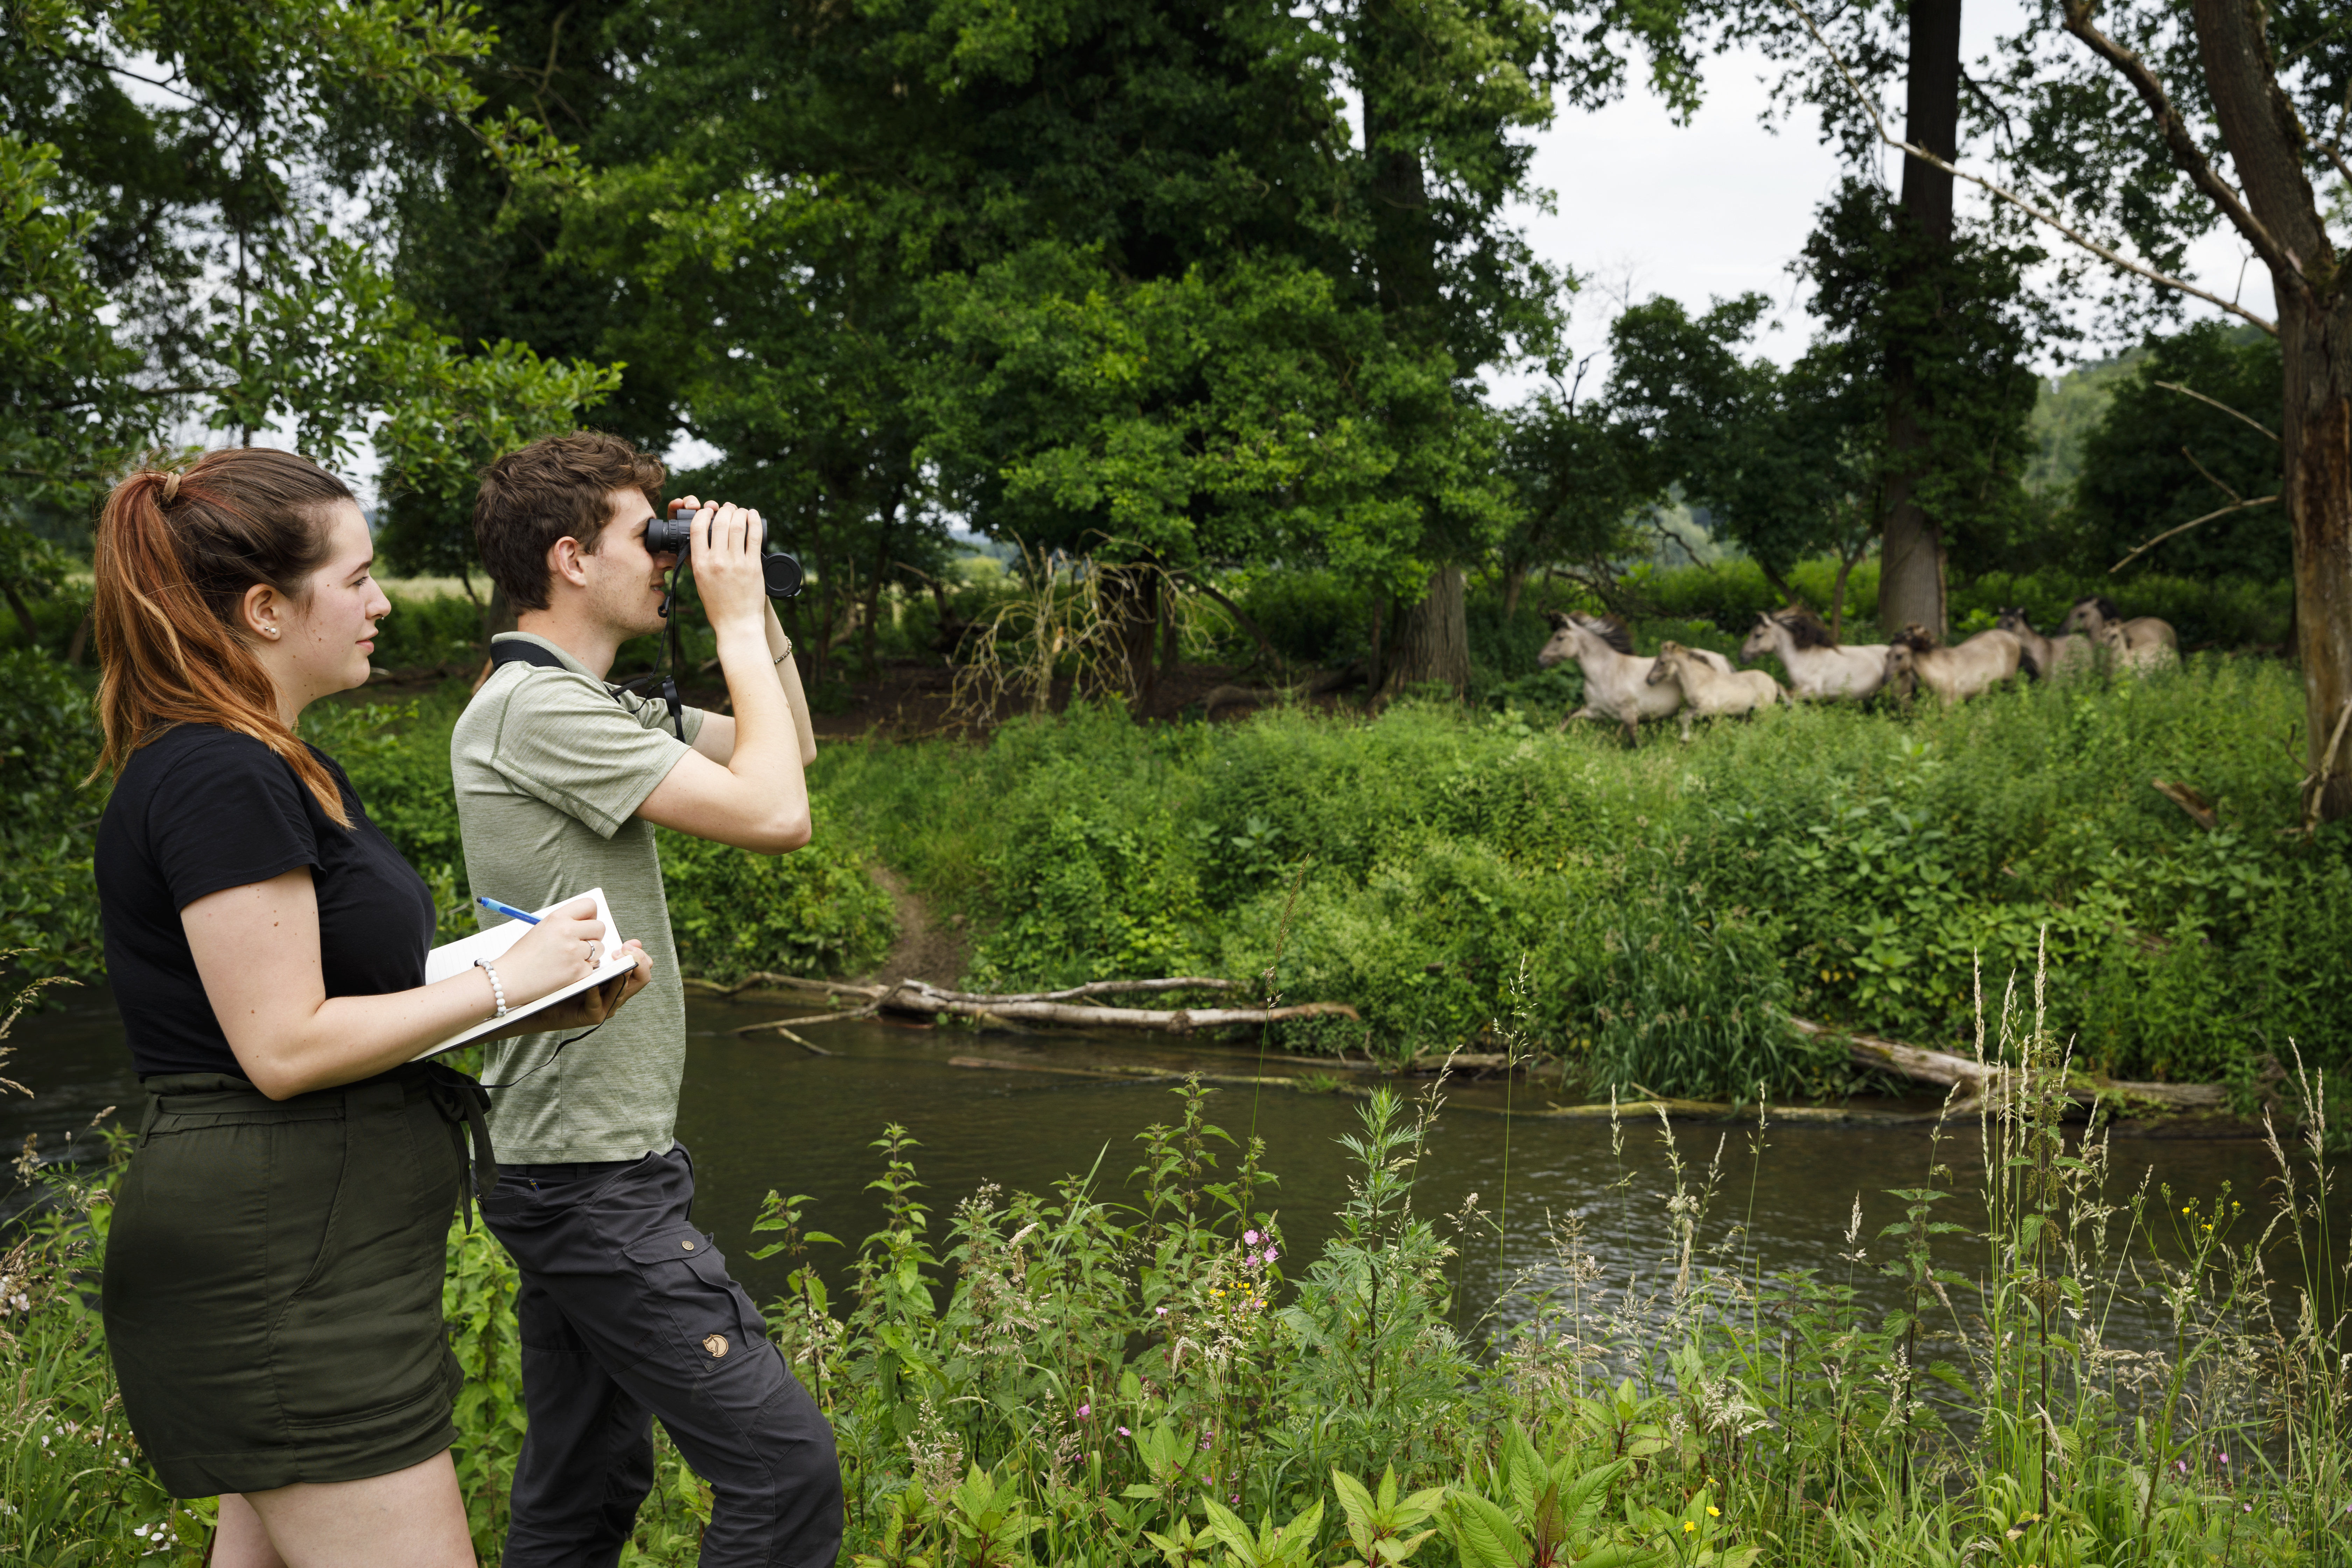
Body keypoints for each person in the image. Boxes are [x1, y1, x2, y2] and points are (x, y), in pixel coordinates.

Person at [90, 447, 652, 1568]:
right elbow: (284, 1048)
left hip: (316, 1251)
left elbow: (324, 1002)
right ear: (264, 608)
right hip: (282, 1268)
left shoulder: (281, 764)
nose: (383, 604)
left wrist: (525, 1003)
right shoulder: (218, 775)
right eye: (357, 579)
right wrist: (505, 977)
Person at [452, 432, 839, 1567]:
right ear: (571, 558)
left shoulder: (586, 701)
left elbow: (790, 756)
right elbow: (777, 821)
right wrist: (720, 621)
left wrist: (754, 610)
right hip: (587, 1179)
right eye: (649, 538)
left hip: (587, 1164)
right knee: (783, 1471)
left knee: (585, 1492)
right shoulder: (536, 709)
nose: (670, 559)